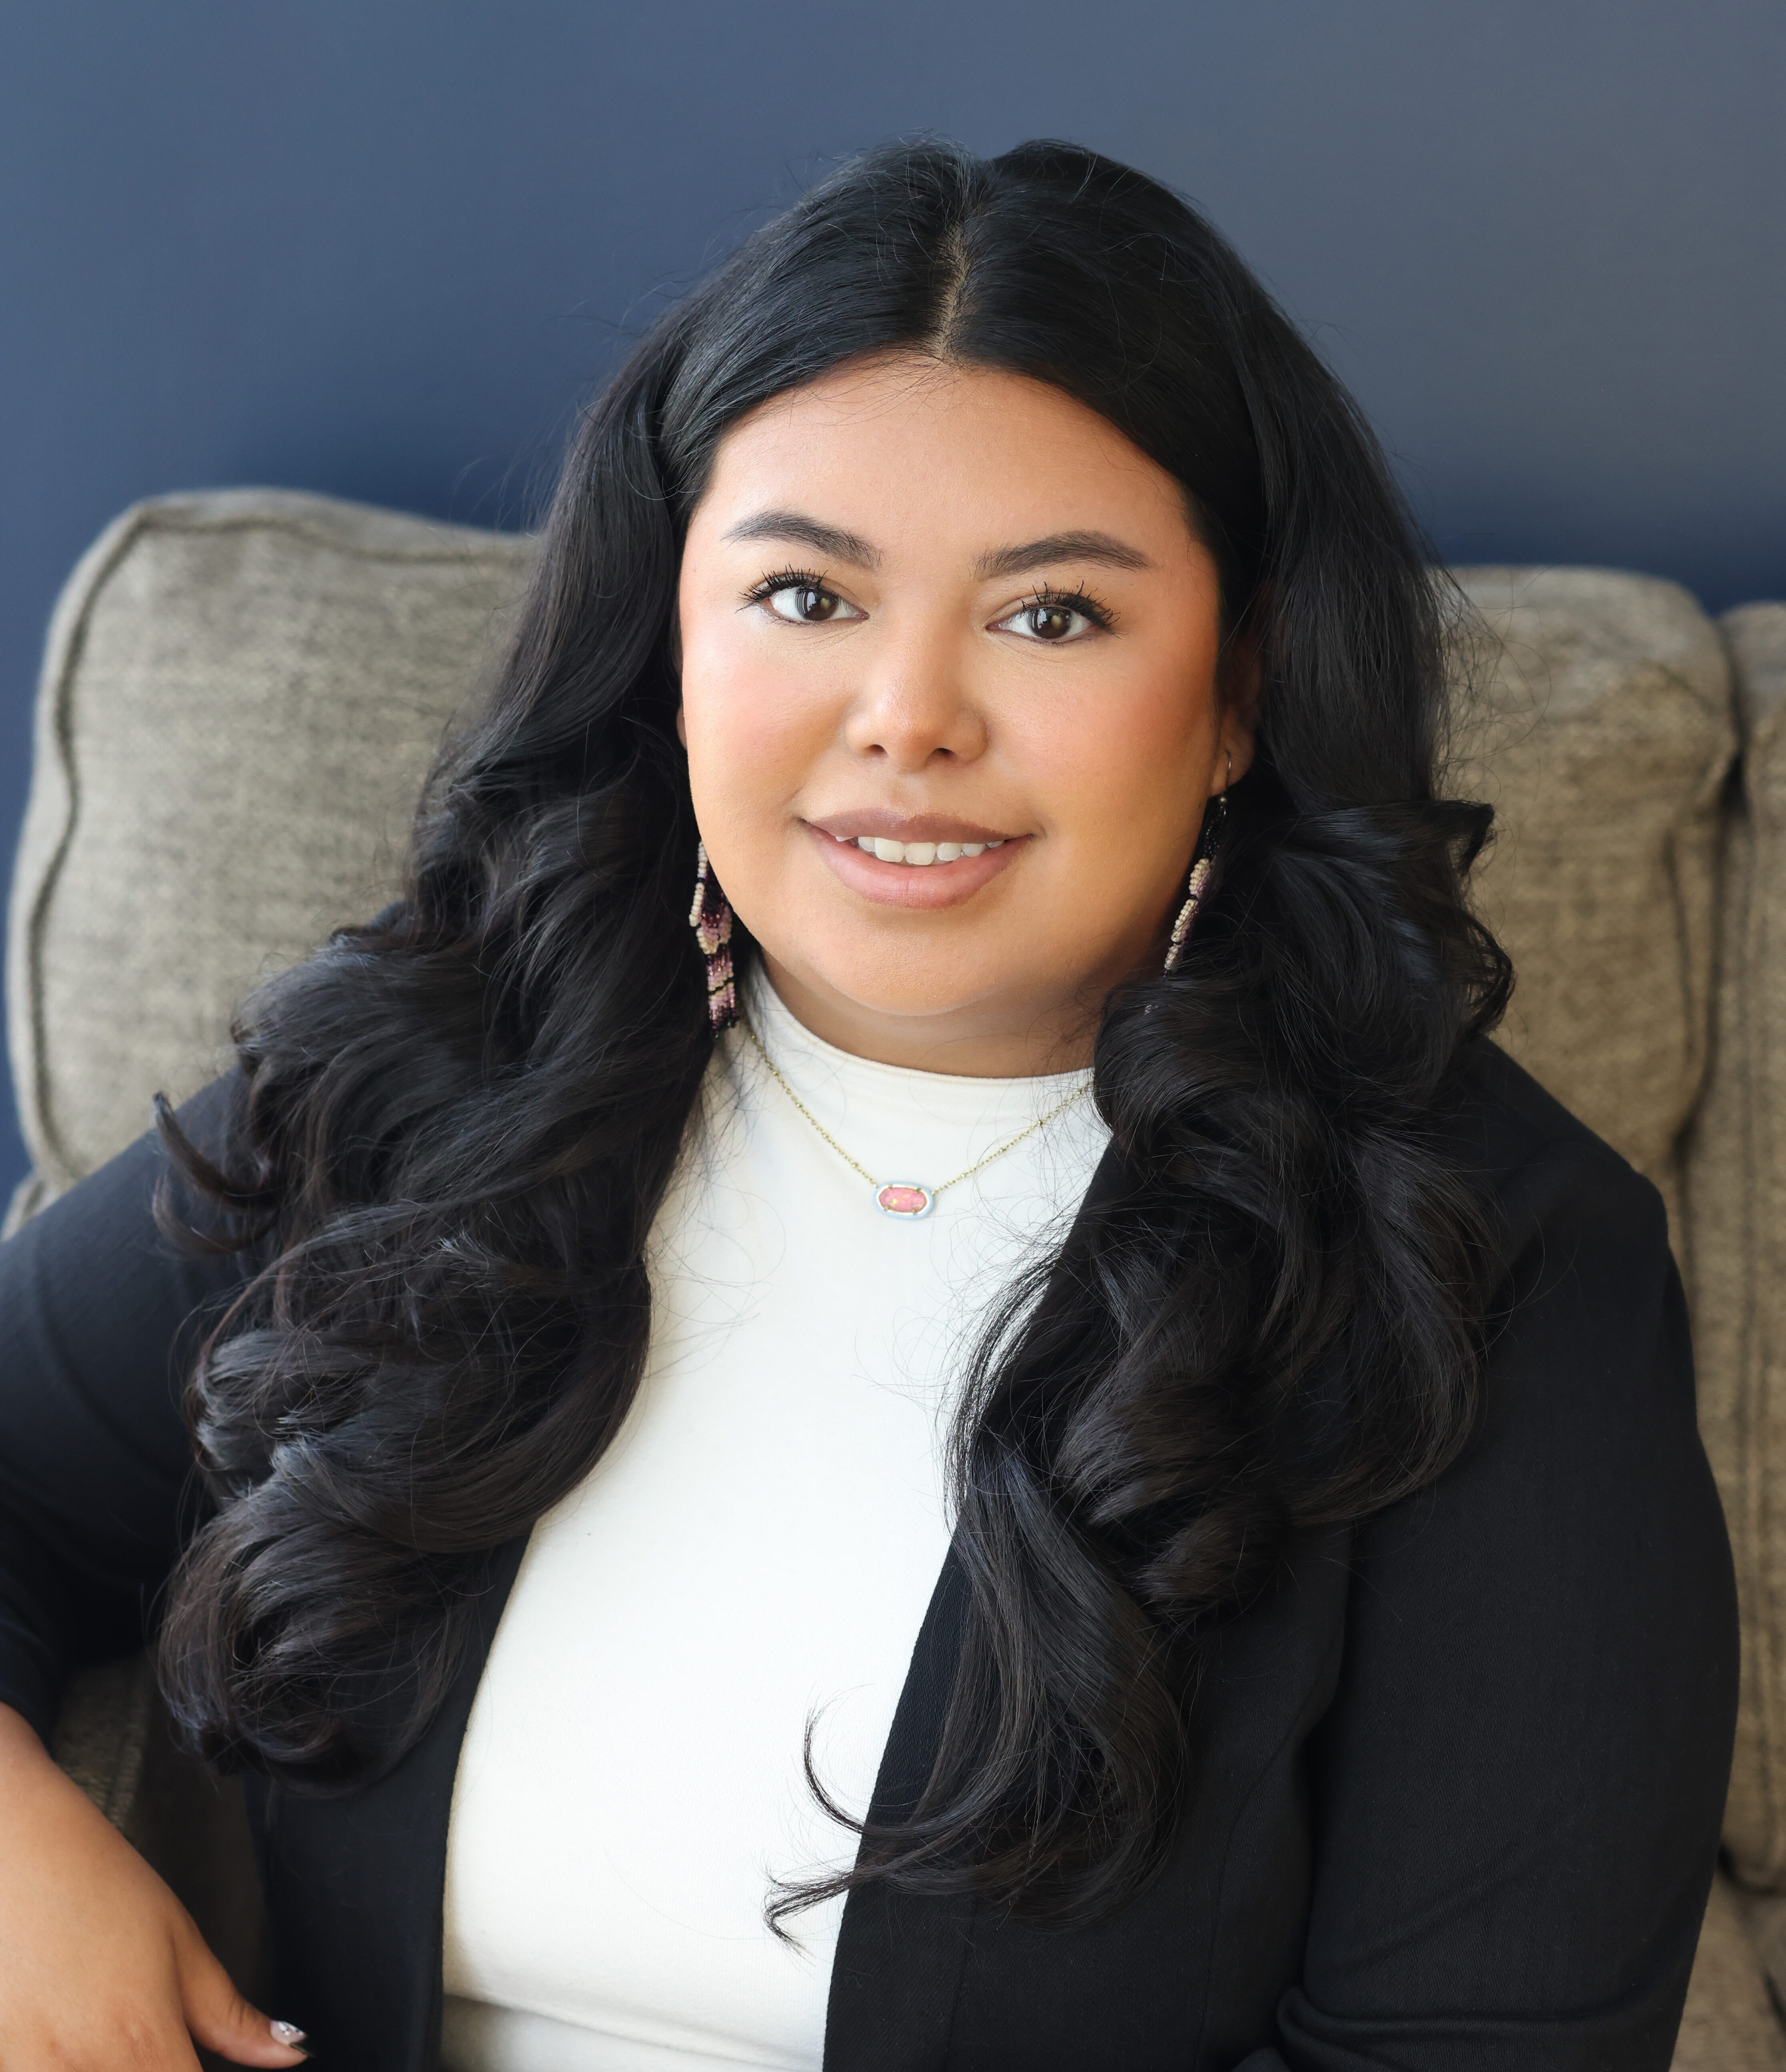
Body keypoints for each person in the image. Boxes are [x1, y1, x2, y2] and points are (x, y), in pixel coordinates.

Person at [0, 139, 1736, 2072]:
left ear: (1238, 688)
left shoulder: (1490, 1263)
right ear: (673, 641)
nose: (907, 715)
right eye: (804, 593)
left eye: (1050, 616)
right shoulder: (443, 1077)